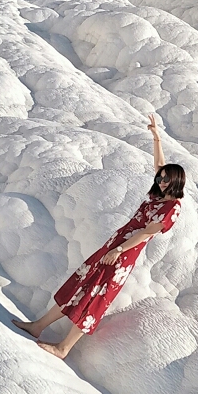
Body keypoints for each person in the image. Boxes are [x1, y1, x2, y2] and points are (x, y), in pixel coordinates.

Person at [12, 115, 185, 358]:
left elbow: (147, 233)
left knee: (95, 295)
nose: (162, 181)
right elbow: (159, 164)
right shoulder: (159, 196)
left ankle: (64, 347)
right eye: (161, 178)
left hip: (122, 254)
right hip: (114, 246)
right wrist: (156, 136)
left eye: (167, 179)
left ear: (177, 181)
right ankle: (38, 326)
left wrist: (119, 251)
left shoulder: (172, 207)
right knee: (81, 284)